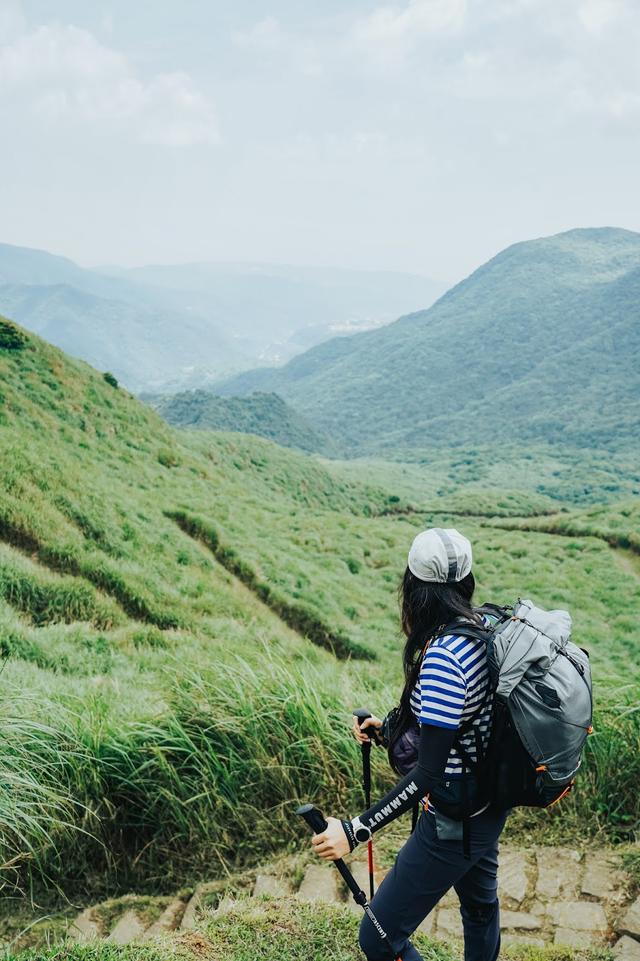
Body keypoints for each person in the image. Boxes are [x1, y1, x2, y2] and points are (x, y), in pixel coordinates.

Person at [310, 527, 508, 961]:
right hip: (487, 806)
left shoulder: (443, 656)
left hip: (451, 824)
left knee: (378, 939)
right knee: (479, 909)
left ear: (414, 588)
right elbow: (460, 729)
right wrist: (387, 733)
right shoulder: (483, 629)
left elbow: (429, 773)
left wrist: (354, 830)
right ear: (466, 583)